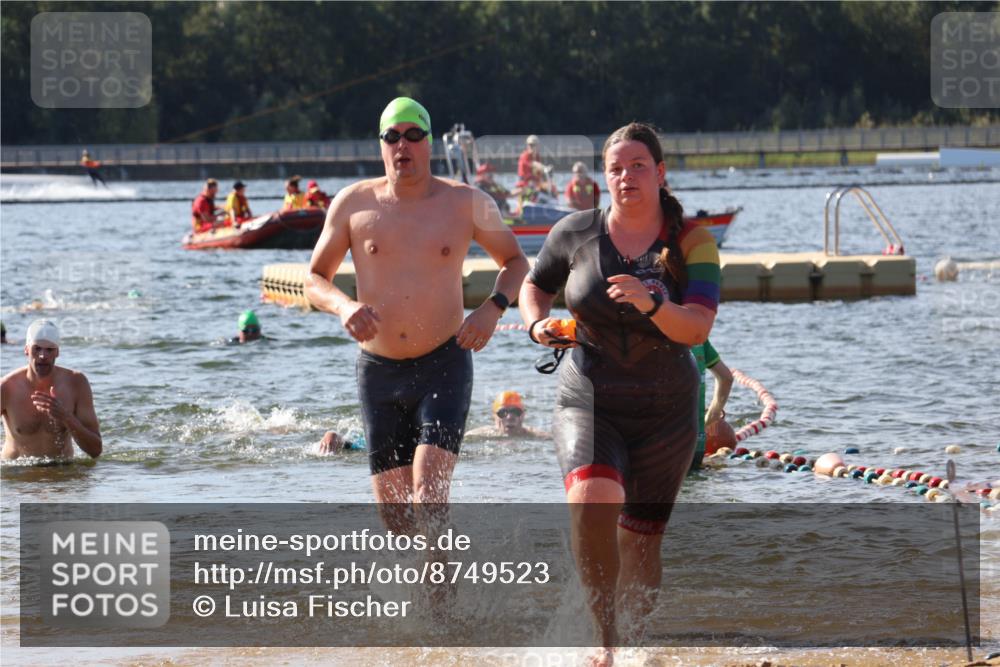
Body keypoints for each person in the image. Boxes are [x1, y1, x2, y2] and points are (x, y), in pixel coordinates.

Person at [518, 122, 720, 664]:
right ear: (603, 177)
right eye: (615, 168)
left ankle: (634, 640)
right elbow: (534, 284)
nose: (626, 176)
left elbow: (698, 328)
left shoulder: (693, 241)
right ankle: (604, 642)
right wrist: (538, 324)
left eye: (637, 166)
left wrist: (653, 304)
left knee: (641, 540)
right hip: (589, 393)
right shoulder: (574, 233)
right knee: (590, 499)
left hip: (667, 410)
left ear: (659, 173)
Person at [305, 96, 529, 515]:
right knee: (393, 514)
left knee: (429, 498)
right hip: (378, 370)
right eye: (392, 136)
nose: (402, 145)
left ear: (429, 143)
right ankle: (421, 582)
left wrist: (493, 308)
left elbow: (516, 262)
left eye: (413, 135)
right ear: (381, 145)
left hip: (444, 362)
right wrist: (343, 306)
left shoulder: (467, 202)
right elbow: (314, 278)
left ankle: (441, 582)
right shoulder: (353, 204)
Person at [1, 320, 103, 460]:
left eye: (49, 350)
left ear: (57, 352)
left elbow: (96, 450)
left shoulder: (76, 383)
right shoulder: (6, 387)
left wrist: (66, 417)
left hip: (61, 473)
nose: (43, 356)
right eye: (37, 348)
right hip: (17, 475)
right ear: (26, 350)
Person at [688, 340, 733, 470]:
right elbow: (726, 378)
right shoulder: (700, 339)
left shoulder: (658, 336)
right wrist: (713, 414)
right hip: (698, 444)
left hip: (666, 445)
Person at [465, 391, 549, 439]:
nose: (509, 417)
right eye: (502, 412)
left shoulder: (537, 436)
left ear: (523, 415)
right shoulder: (477, 435)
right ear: (494, 416)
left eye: (516, 411)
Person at [516, 134, 555, 202]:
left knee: (551, 191)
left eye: (533, 145)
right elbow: (534, 164)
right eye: (530, 145)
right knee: (532, 194)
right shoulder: (525, 156)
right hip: (525, 185)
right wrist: (545, 168)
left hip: (535, 185)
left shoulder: (537, 157)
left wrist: (547, 176)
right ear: (527, 145)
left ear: (537, 146)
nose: (531, 147)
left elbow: (539, 173)